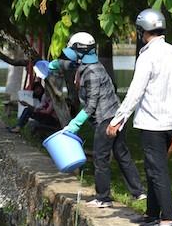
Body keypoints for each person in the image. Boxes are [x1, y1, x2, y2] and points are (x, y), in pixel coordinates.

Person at [106, 8, 172, 226]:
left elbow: (135, 92)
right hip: (170, 120)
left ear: (142, 30)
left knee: (157, 170)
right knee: (153, 168)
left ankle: (168, 218)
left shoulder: (147, 56)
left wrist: (117, 119)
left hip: (152, 122)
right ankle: (151, 214)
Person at [50, 32, 146, 208]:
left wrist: (74, 124)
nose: (72, 54)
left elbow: (91, 105)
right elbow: (70, 64)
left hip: (106, 119)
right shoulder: (89, 64)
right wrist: (53, 65)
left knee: (101, 158)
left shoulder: (92, 71)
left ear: (81, 51)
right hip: (116, 116)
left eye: (73, 50)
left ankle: (103, 198)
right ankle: (138, 192)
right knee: (122, 154)